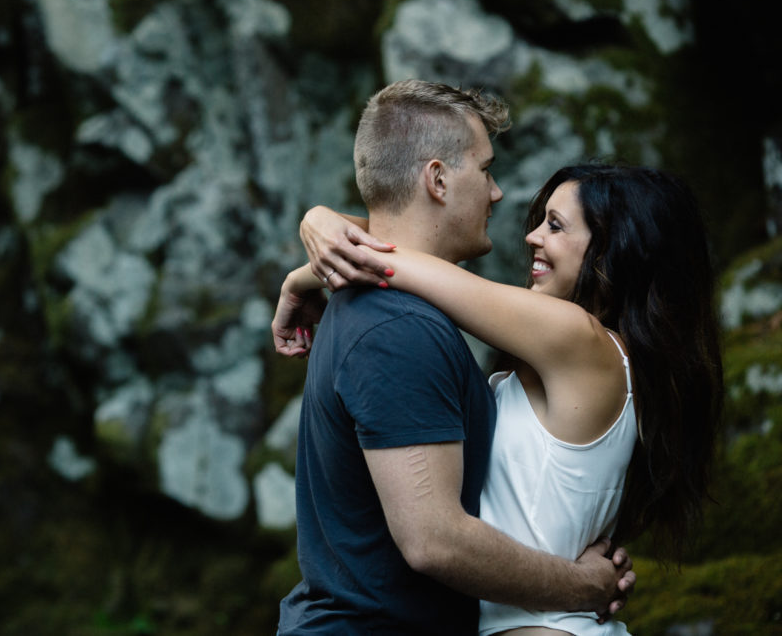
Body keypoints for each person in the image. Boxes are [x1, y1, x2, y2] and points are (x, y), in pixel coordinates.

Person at [277, 160, 723, 635]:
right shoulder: (585, 354)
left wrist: (304, 264)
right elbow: (404, 245)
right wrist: (319, 228)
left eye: (555, 226)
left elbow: (390, 261)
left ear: (613, 251)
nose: (532, 236)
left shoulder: (577, 340)